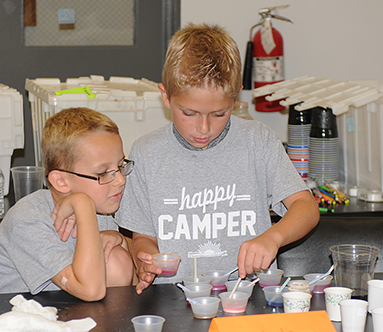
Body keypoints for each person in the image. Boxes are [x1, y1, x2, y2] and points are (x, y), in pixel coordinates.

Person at [115, 23, 320, 295]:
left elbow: (306, 207)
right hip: (172, 298)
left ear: (235, 98)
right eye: (189, 113)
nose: (203, 128)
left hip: (247, 296)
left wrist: (273, 237)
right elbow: (143, 236)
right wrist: (145, 259)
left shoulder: (257, 141)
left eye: (219, 114)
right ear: (166, 96)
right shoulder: (146, 153)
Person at [0, 107, 135, 301]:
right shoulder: (27, 219)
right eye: (102, 173)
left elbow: (133, 285)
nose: (120, 180)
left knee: (118, 259)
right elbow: (91, 291)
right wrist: (83, 204)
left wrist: (121, 241)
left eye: (120, 166)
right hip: (7, 322)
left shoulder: (103, 206)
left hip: (62, 316)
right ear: (61, 181)